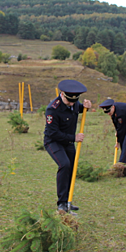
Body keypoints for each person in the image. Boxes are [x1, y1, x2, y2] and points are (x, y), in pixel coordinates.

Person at [44, 80, 92, 213]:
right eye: (69, 101)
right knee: (64, 165)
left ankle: (68, 200)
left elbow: (78, 107)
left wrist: (85, 106)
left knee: (72, 168)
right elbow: (53, 133)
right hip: (53, 141)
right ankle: (61, 204)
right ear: (62, 94)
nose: (72, 104)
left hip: (68, 142)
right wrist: (74, 138)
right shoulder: (52, 109)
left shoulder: (73, 102)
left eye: (74, 101)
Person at [99, 99, 126, 165]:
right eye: (106, 112)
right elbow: (116, 124)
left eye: (109, 111)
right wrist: (118, 135)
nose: (108, 113)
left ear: (113, 107)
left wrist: (118, 141)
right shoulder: (113, 112)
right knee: (123, 139)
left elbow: (121, 129)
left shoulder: (120, 112)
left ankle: (121, 162)